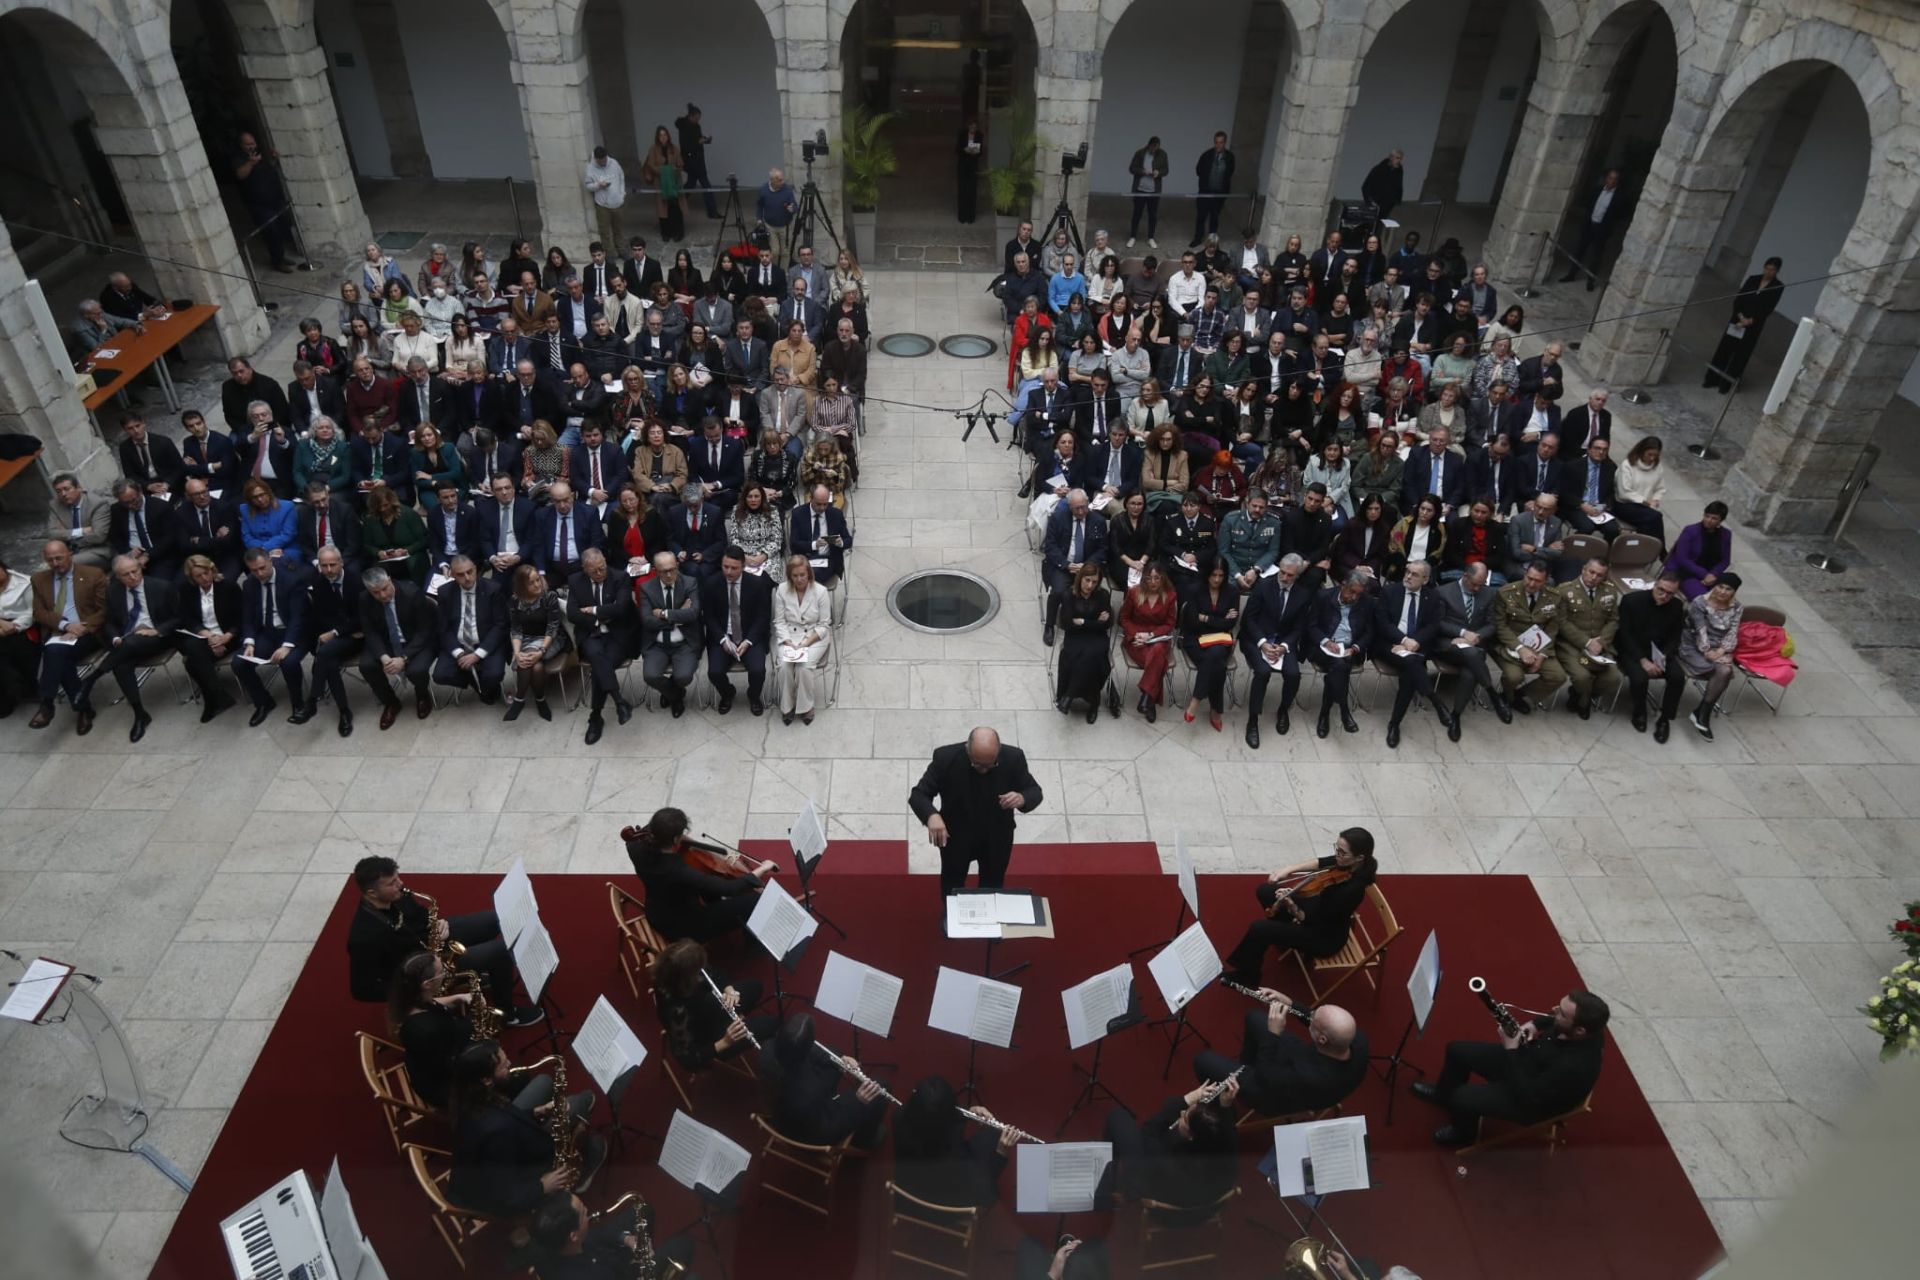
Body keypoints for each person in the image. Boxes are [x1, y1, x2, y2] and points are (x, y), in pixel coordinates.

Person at [345, 854, 543, 1022]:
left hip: (435, 941)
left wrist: (439, 924)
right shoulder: (364, 937)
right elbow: (362, 990)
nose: (401, 884)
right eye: (392, 883)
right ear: (372, 893)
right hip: (425, 969)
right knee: (500, 952)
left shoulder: (397, 895)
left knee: (496, 919)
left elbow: (421, 916)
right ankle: (506, 1015)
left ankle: (485, 971)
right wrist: (412, 992)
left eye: (398, 878)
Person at [1414, 990, 1610, 1147]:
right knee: (1456, 1050)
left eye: (1561, 1013)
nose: (1554, 1010)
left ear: (1580, 1030)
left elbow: (1528, 1095)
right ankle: (1442, 1095)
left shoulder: (1574, 1066)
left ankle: (1464, 1134)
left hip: (1531, 1101)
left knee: (1461, 1096)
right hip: (1531, 1064)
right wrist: (1534, 1024)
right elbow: (1552, 1020)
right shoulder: (1585, 1029)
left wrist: (1511, 1050)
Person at [446, 1041, 606, 1215]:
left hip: (512, 1145)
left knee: (543, 1081)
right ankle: (580, 1179)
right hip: (518, 1181)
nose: (509, 1063)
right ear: (486, 1080)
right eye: (502, 1064)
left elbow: (506, 1115)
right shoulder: (497, 1133)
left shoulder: (468, 1098)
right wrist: (543, 1186)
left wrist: (537, 1112)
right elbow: (503, 1197)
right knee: (581, 1110)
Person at [1224, 828, 1378, 986]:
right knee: (1265, 891)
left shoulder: (1349, 892)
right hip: (1318, 910)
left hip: (1323, 936)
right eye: (1336, 849)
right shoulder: (1347, 863)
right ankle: (1283, 938)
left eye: (1342, 852)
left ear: (1359, 857)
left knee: (1259, 929)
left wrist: (1291, 904)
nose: (1337, 855)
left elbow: (1311, 918)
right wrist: (1288, 870)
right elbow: (1321, 862)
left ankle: (1248, 976)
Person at [908, 726, 1044, 895]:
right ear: (967, 749)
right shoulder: (945, 758)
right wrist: (931, 816)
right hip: (957, 836)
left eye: (991, 765)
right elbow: (918, 794)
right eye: (978, 765)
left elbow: (1034, 791)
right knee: (952, 884)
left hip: (996, 837)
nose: (984, 770)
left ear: (998, 751)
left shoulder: (1013, 758)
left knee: (993, 885)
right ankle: (950, 915)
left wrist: (1022, 798)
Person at [1196, 989, 1366, 1119]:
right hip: (1300, 1062)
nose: (1310, 1015)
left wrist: (1273, 1034)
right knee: (1254, 1017)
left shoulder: (1309, 1077)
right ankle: (1244, 1066)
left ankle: (1223, 1105)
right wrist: (1290, 1004)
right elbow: (1319, 1023)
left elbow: (1264, 1077)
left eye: (1313, 1017)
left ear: (1322, 1039)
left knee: (1203, 1060)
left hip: (1274, 1092)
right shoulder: (1355, 1039)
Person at [623, 806, 775, 943]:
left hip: (657, 912)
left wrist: (687, 842)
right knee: (757, 901)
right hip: (685, 927)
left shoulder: (634, 846)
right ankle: (753, 946)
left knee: (708, 882)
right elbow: (729, 888)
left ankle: (718, 907)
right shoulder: (679, 872)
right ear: (675, 839)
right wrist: (762, 869)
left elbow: (654, 831)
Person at [1098, 1084, 1236, 1212]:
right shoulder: (1226, 1143)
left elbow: (1147, 1131)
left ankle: (1118, 1190)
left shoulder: (1166, 1152)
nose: (1182, 1113)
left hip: (1167, 1209)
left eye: (1185, 1118)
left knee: (1117, 1116)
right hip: (1208, 1206)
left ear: (1190, 1136)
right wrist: (1225, 1105)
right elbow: (1225, 1129)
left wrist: (1185, 1100)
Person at [760, 1014, 890, 1149]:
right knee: (880, 1088)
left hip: (787, 1109)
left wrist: (840, 1059)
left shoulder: (768, 1048)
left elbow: (812, 1051)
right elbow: (828, 1127)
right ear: (807, 1047)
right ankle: (863, 1140)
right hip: (810, 1131)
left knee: (834, 1053)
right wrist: (857, 1102)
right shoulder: (810, 1092)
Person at [650, 937, 778, 1073]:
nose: (701, 972)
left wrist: (730, 990)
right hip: (709, 1038)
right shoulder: (677, 1013)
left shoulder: (671, 971)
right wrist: (725, 1041)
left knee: (756, 987)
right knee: (772, 1024)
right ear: (687, 978)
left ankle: (733, 1015)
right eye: (697, 971)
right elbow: (687, 1059)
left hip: (707, 1011)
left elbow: (714, 974)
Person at [1373, 560, 1455, 748]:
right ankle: (1434, 700)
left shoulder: (1432, 597)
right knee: (1413, 665)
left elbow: (1433, 625)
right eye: (1407, 571)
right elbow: (1382, 623)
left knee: (1411, 670)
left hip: (1416, 647)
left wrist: (1415, 642)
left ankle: (1395, 724)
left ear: (1425, 580)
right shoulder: (1390, 591)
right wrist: (1403, 640)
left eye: (1414, 574)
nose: (1408, 576)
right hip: (1389, 644)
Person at [356, 566, 436, 730]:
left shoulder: (411, 592)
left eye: (385, 589)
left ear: (390, 580)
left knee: (417, 670)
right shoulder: (364, 599)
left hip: (414, 642)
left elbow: (424, 630)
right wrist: (383, 656)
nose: (383, 595)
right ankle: (391, 702)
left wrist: (404, 658)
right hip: (386, 643)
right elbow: (370, 631)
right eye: (376, 593)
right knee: (367, 665)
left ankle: (422, 695)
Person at [1618, 569, 1687, 741]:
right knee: (1639, 678)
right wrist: (1642, 660)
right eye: (1661, 590)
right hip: (1634, 650)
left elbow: (1675, 636)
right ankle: (1639, 712)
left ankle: (1665, 719)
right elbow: (1624, 634)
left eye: (1670, 593)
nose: (1664, 596)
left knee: (1678, 677)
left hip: (1661, 652)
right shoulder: (1631, 601)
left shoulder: (1677, 606)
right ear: (1654, 585)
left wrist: (1664, 656)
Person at [1492, 559, 1565, 715]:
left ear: (1546, 581)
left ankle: (1519, 696)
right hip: (1511, 645)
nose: (1531, 584)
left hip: (1540, 646)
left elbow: (1553, 629)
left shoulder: (1554, 597)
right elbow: (1500, 626)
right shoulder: (1505, 593)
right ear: (1525, 574)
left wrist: (1542, 655)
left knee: (1558, 676)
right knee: (1514, 677)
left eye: (1537, 581)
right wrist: (1520, 648)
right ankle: (1507, 697)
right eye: (1529, 578)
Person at [1555, 557, 1623, 719]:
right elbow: (1561, 623)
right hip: (1571, 645)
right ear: (1583, 569)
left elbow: (1614, 620)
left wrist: (1602, 641)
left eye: (1599, 575)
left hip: (1599, 645)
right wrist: (1586, 642)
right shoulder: (1564, 591)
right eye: (1591, 572)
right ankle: (1583, 703)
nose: (1594, 577)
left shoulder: (1609, 591)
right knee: (1582, 676)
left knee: (1614, 678)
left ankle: (1580, 695)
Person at [1680, 572, 1743, 741]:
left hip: (1719, 648)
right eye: (1720, 586)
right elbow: (1700, 630)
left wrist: (1721, 651)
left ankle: (1702, 712)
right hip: (1693, 645)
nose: (1722, 591)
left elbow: (1733, 632)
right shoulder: (1700, 603)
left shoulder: (1737, 607)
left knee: (1724, 671)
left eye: (1728, 589)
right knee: (1723, 672)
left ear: (1733, 592)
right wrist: (1709, 652)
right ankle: (1702, 714)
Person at [1705, 256, 1784, 391]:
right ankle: (1712, 379)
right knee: (1724, 349)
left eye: (1772, 270)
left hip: (1753, 325)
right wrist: (1741, 317)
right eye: (1767, 268)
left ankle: (1727, 384)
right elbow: (1739, 299)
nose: (1768, 272)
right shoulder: (1753, 279)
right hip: (1737, 320)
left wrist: (1750, 321)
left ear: (1777, 271)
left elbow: (1767, 309)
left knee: (1741, 354)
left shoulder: (1778, 287)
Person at [1177, 559, 1238, 732]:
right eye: (1214, 575)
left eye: (1221, 576)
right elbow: (1192, 622)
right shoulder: (1194, 590)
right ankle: (1216, 710)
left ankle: (1196, 700)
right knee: (1217, 662)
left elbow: (1230, 624)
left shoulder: (1232, 592)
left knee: (1215, 654)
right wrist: (1219, 620)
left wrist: (1206, 618)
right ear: (1207, 575)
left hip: (1220, 639)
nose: (1217, 579)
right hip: (1195, 639)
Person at [639, 550, 702, 716]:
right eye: (663, 571)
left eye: (672, 569)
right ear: (655, 570)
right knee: (650, 676)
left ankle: (670, 692)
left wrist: (664, 614)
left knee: (684, 677)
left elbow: (693, 613)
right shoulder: (646, 588)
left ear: (677, 566)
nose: (669, 574)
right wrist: (678, 615)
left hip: (684, 643)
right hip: (657, 644)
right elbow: (647, 620)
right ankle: (676, 696)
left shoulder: (690, 583)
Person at [772, 554, 832, 725]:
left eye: (802, 575)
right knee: (784, 666)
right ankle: (787, 706)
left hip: (814, 637)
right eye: (795, 576)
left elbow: (824, 625)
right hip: (790, 637)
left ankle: (806, 707)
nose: (799, 579)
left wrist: (805, 644)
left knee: (803, 667)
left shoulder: (820, 591)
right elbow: (780, 621)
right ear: (790, 576)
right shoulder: (782, 590)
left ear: (809, 574)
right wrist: (787, 641)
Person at [1054, 562, 1113, 724]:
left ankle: (1069, 695)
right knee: (1089, 659)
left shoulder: (1103, 595)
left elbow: (1108, 623)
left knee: (1091, 655)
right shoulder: (1069, 596)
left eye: (1094, 582)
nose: (1090, 585)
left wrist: (1083, 622)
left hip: (1097, 637)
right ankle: (1093, 702)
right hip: (1075, 637)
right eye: (1087, 580)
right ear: (1080, 579)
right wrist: (1094, 622)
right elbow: (1067, 624)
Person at [234, 131, 297, 272]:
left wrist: (274, 159)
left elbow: (269, 168)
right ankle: (277, 261)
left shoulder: (260, 153)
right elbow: (240, 174)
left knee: (281, 228)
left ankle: (281, 255)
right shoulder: (239, 158)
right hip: (259, 204)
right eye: (248, 144)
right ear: (242, 145)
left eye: (253, 143)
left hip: (275, 198)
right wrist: (251, 163)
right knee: (271, 232)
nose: (252, 146)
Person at [1561, 168, 1626, 288]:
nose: (1612, 181)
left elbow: (1620, 215)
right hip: (1590, 225)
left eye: (1615, 179)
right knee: (1580, 251)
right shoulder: (1597, 190)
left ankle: (1591, 281)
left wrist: (1609, 227)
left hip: (1602, 229)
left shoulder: (1619, 197)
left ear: (1617, 181)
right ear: (1606, 178)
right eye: (1610, 178)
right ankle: (1571, 274)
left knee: (1597, 256)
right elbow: (1589, 205)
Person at [46, 472, 113, 569]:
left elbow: (98, 536)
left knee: (63, 563)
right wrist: (81, 531)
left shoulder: (98, 504)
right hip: (69, 551)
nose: (63, 494)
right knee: (51, 552)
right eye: (58, 491)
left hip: (97, 550)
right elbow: (52, 534)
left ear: (78, 488)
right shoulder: (56, 505)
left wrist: (65, 535)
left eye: (67, 489)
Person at [1669, 500, 1733, 598]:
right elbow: (1682, 558)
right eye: (1707, 516)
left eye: (1714, 518)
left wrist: (1713, 574)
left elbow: (1725, 560)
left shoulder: (1726, 534)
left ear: (1721, 520)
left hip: (1711, 574)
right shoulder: (1690, 531)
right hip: (1686, 572)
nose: (1709, 520)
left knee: (1723, 598)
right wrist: (1704, 574)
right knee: (1703, 599)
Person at [1190, 131, 1234, 248]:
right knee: (1201, 216)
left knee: (1214, 217)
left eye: (1221, 143)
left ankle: (1211, 241)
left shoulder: (1229, 157)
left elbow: (1230, 172)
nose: (1218, 145)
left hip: (1219, 193)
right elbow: (1198, 170)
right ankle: (1198, 237)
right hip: (1205, 191)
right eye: (1216, 142)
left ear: (1225, 143)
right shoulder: (1207, 155)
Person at [675, 103, 719, 218]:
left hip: (698, 161)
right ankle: (712, 212)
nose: (698, 120)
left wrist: (706, 140)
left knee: (690, 184)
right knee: (706, 185)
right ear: (691, 116)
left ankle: (677, 203)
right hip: (691, 162)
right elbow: (685, 146)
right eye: (697, 118)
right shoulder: (684, 127)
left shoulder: (696, 126)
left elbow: (698, 138)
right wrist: (698, 142)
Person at [583, 144, 626, 252]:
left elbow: (621, 177)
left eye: (605, 159)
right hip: (603, 206)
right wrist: (598, 185)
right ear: (596, 159)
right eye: (601, 161)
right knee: (605, 232)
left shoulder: (614, 163)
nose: (603, 162)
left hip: (617, 203)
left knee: (619, 230)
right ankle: (609, 253)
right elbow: (588, 186)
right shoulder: (590, 168)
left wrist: (622, 194)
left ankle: (621, 249)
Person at [757, 167, 800, 264]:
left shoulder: (787, 190)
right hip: (770, 225)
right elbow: (760, 205)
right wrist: (759, 218)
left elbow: (795, 207)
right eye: (779, 180)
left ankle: (784, 272)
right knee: (774, 252)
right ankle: (775, 271)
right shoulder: (763, 190)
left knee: (785, 252)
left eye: (782, 179)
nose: (782, 182)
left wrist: (792, 209)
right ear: (772, 180)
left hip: (785, 226)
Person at [1360, 148, 1404, 220]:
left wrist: (1397, 200)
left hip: (1388, 204)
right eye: (1396, 158)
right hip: (1376, 202)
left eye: (1400, 158)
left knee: (1381, 223)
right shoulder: (1379, 169)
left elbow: (1399, 186)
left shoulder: (1399, 171)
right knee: (1372, 222)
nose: (1398, 160)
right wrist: (1369, 201)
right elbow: (1365, 186)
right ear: (1390, 157)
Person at [956, 120, 983, 223]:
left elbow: (980, 151)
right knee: (962, 191)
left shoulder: (979, 135)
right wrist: (965, 150)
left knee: (972, 191)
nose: (973, 129)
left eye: (975, 127)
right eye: (971, 127)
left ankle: (971, 217)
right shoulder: (962, 135)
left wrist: (975, 152)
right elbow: (957, 149)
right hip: (963, 165)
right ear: (968, 126)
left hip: (973, 166)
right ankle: (962, 216)